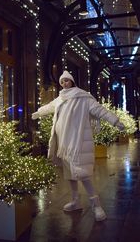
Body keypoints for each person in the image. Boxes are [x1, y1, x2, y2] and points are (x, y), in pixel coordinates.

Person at [32, 70, 125, 222]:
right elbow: (49, 107)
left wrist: (115, 121)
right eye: (62, 82)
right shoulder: (60, 98)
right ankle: (76, 201)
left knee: (83, 174)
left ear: (72, 81)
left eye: (66, 81)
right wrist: (38, 112)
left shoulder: (83, 97)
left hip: (77, 142)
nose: (64, 84)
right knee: (69, 174)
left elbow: (100, 110)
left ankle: (96, 205)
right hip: (63, 143)